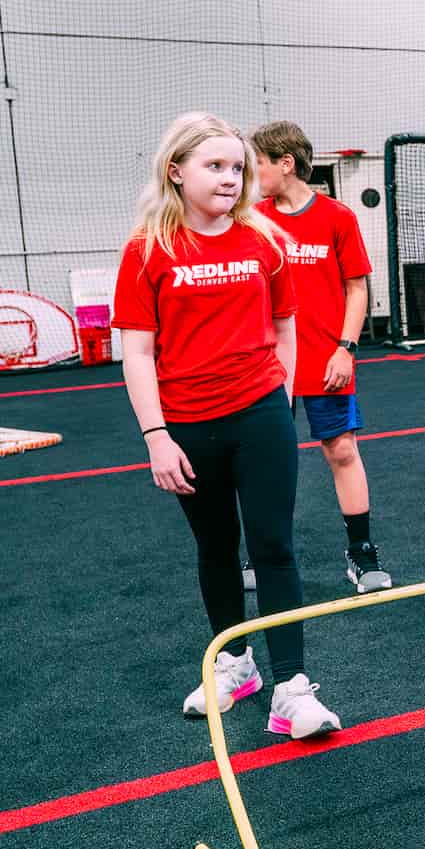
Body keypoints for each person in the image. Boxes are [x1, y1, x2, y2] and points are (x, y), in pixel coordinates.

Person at [113, 112, 341, 740]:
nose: (230, 177)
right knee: (216, 547)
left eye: (237, 166)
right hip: (185, 422)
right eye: (214, 165)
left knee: (273, 546)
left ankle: (292, 690)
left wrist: (281, 397)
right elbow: (136, 352)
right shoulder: (147, 249)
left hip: (260, 412)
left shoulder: (264, 240)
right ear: (176, 170)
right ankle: (235, 667)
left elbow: (287, 326)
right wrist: (156, 436)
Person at [252, 120, 391, 594]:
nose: (253, 173)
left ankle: (362, 553)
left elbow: (358, 289)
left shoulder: (337, 217)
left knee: (343, 450)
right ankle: (262, 553)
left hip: (327, 359)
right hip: (270, 365)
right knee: (265, 461)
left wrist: (345, 349)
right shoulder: (253, 220)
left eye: (259, 164)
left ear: (285, 164)